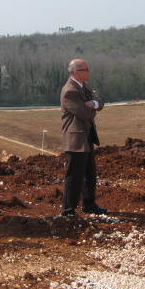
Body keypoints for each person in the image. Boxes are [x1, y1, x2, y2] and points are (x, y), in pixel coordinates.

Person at [60, 59, 107, 216]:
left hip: (86, 136)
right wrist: (93, 106)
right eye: (85, 69)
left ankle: (89, 204)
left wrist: (92, 103)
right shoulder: (69, 91)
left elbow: (100, 101)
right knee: (74, 174)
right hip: (76, 138)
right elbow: (84, 113)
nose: (89, 71)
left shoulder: (83, 86)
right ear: (75, 73)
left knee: (89, 173)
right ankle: (68, 210)